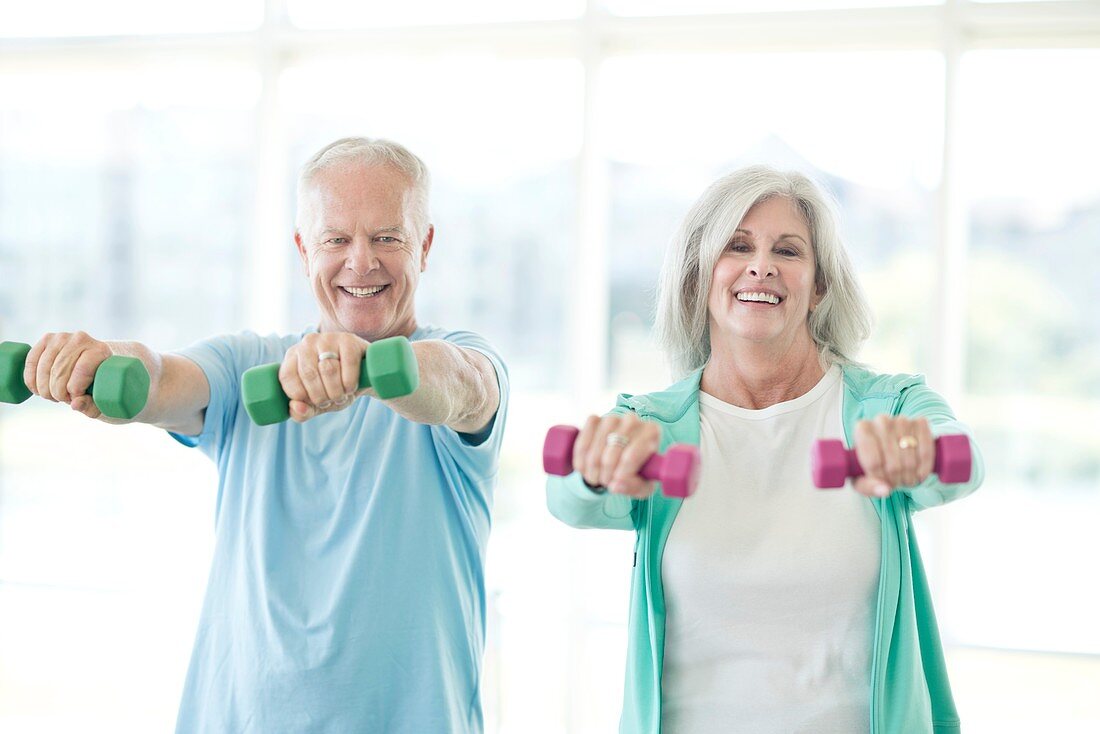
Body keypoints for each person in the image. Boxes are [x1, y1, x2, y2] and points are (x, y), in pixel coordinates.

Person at [23, 137, 508, 733]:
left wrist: (367, 370)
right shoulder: (248, 365)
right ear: (304, 250)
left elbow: (466, 386)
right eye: (336, 240)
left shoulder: (462, 359)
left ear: (425, 245)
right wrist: (103, 358)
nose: (361, 263)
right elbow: (160, 376)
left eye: (388, 237)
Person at [547, 165, 983, 734]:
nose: (762, 265)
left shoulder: (888, 407)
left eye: (788, 250)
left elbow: (960, 460)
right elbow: (569, 499)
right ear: (699, 277)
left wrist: (915, 452)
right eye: (737, 245)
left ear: (819, 285)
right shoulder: (651, 424)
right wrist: (595, 471)